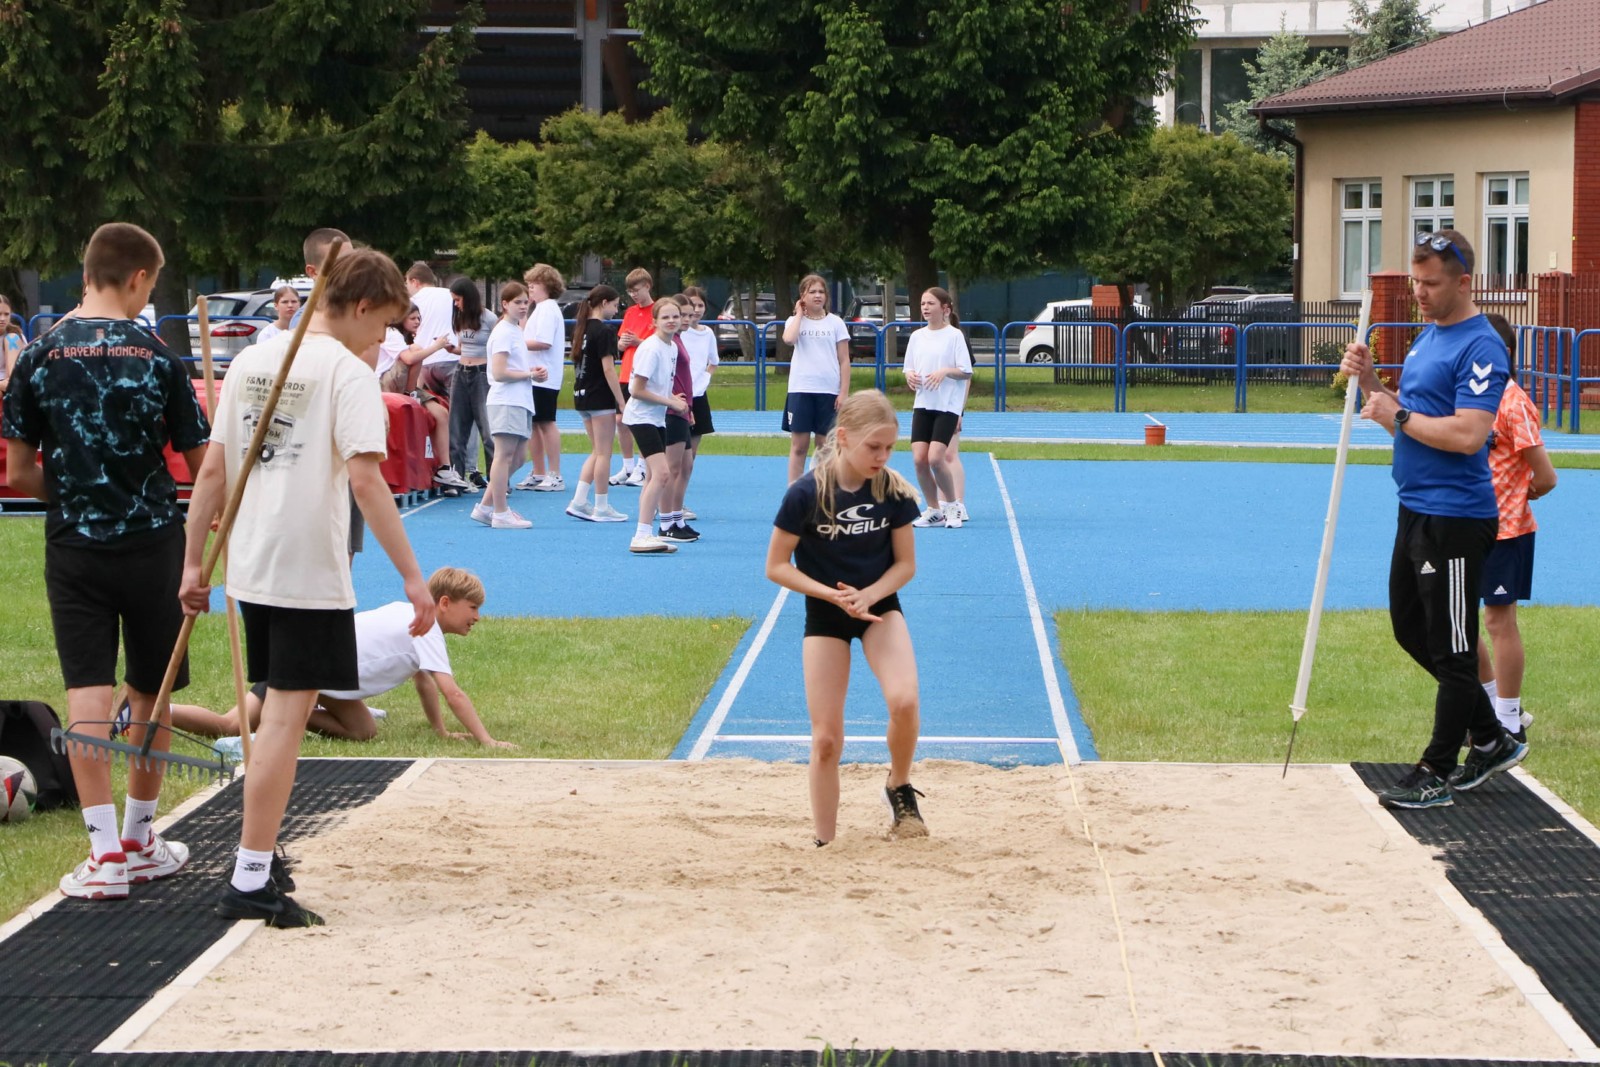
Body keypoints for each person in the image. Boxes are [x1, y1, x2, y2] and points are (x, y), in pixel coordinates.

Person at [180, 247, 435, 927]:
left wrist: (193, 563)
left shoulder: (251, 360)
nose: (382, 338)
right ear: (360, 306)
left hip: (253, 567)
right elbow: (367, 482)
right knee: (283, 727)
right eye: (382, 324)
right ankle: (250, 875)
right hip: (306, 573)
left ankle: (259, 859)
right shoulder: (347, 373)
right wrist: (414, 577)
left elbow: (212, 473)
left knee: (276, 718)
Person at [2, 222, 210, 899]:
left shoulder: (37, 355)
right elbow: (203, 467)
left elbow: (18, 470)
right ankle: (140, 838)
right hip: (154, 543)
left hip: (75, 546)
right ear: (140, 278)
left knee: (87, 695)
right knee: (151, 694)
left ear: (87, 272)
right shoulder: (159, 356)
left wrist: (72, 494)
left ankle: (104, 855)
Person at [1339, 228, 1527, 810]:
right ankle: (1491, 739)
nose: (1419, 293)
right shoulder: (1429, 337)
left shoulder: (1481, 346)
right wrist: (1371, 384)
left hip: (1455, 517)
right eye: (1415, 282)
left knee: (1453, 648)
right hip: (1415, 507)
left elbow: (1469, 434)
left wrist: (1396, 416)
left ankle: (1436, 770)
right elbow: (1410, 416)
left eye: (1431, 283)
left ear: (1464, 282)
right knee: (1410, 629)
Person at [765, 389, 925, 845]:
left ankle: (898, 784)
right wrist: (832, 597)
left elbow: (905, 565)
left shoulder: (893, 491)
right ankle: (826, 843)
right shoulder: (805, 494)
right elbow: (776, 566)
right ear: (844, 437)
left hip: (879, 608)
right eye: (874, 446)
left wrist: (868, 595)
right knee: (826, 740)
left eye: (889, 447)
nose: (883, 456)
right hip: (826, 615)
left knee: (905, 701)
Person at [171, 568, 513, 747]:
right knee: (230, 726)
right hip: (305, 662)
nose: (477, 617)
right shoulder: (426, 629)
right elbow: (452, 693)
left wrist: (440, 731)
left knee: (364, 731)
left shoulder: (413, 616)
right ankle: (156, 713)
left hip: (327, 675)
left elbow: (423, 681)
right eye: (473, 608)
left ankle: (291, 712)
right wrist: (487, 741)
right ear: (445, 603)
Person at [1476, 313, 1557, 743]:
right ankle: (1498, 706)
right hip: (1467, 527)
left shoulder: (1513, 402)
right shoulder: (1470, 399)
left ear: (1502, 353)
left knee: (1497, 620)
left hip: (1506, 532)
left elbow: (1546, 476)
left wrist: (1519, 493)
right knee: (1456, 624)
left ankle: (1508, 721)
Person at [621, 298, 691, 554]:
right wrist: (670, 402)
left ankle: (645, 533)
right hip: (641, 418)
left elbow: (660, 385)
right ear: (654, 322)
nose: (672, 321)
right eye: (665, 317)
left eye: (675, 316)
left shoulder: (671, 347)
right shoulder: (651, 349)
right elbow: (636, 390)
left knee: (653, 476)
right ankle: (641, 535)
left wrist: (674, 400)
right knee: (662, 474)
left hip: (656, 417)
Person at [903, 287, 972, 530]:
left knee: (935, 458)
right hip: (923, 404)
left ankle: (952, 505)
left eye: (930, 303)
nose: (925, 307)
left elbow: (966, 372)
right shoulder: (916, 337)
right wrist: (910, 376)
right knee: (919, 460)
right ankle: (934, 510)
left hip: (947, 407)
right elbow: (908, 367)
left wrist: (945, 372)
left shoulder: (954, 336)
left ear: (945, 309)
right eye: (923, 303)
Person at [566, 284, 629, 523]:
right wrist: (621, 401)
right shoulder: (604, 331)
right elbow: (608, 369)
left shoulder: (580, 329)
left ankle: (579, 501)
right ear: (604, 303)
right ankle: (601, 506)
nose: (616, 310)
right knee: (604, 454)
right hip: (599, 396)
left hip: (581, 394)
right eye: (615, 305)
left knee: (596, 451)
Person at [404, 262, 469, 491]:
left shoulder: (415, 300)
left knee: (437, 415)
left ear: (414, 281)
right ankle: (463, 469)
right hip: (449, 358)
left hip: (425, 362)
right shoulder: (450, 296)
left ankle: (441, 467)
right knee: (460, 417)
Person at [781, 273, 851, 483]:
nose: (817, 296)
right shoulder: (794, 321)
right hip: (801, 390)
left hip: (828, 391)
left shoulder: (836, 323)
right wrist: (799, 314)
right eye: (812, 292)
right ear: (803, 296)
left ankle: (823, 490)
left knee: (825, 446)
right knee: (799, 446)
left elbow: (844, 360)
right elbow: (789, 339)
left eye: (821, 292)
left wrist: (843, 392)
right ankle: (794, 492)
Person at [477, 282, 535, 530]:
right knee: (503, 456)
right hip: (506, 400)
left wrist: (529, 373)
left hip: (519, 400)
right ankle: (500, 512)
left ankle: (485, 506)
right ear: (505, 304)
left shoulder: (515, 330)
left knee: (519, 457)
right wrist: (529, 374)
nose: (523, 307)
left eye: (525, 302)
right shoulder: (503, 332)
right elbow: (499, 372)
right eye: (517, 302)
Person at [378, 304, 454, 486]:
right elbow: (410, 359)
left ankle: (444, 468)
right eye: (412, 318)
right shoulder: (391, 333)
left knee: (441, 414)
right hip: (384, 384)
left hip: (405, 384)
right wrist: (436, 346)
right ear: (400, 318)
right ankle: (411, 393)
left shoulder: (405, 338)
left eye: (419, 318)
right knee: (415, 350)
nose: (417, 322)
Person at [516, 263, 566, 492]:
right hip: (534, 375)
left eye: (534, 284)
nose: (530, 288)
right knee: (534, 424)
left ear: (546, 285)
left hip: (544, 375)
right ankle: (538, 471)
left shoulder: (547, 309)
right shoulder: (539, 309)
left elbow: (543, 342)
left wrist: (516, 344)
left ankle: (555, 473)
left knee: (546, 422)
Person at [656, 294, 699, 543]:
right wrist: (672, 399)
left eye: (686, 315)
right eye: (679, 315)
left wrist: (689, 407)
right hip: (671, 411)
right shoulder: (663, 344)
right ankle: (666, 523)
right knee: (671, 468)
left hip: (683, 409)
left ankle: (677, 518)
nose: (684, 319)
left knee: (686, 465)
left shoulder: (677, 342)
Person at [675, 285, 719, 529]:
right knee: (675, 455)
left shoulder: (708, 333)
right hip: (679, 398)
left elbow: (713, 361)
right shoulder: (678, 333)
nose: (696, 311)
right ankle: (668, 502)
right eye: (691, 307)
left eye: (700, 305)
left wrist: (704, 379)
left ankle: (678, 501)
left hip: (698, 397)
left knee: (690, 456)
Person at [448, 277, 497, 489]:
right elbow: (463, 347)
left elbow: (497, 345)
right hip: (461, 372)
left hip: (481, 374)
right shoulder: (459, 317)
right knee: (457, 429)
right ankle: (456, 478)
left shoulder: (489, 318)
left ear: (468, 297)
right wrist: (451, 349)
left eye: (458, 299)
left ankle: (497, 481)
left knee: (488, 430)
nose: (456, 304)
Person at [611, 269, 655, 487]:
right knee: (621, 420)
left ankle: (643, 466)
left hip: (644, 373)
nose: (633, 295)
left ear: (647, 286)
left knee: (643, 420)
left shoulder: (658, 310)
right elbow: (621, 342)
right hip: (626, 371)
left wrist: (639, 342)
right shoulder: (630, 312)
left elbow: (660, 342)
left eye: (636, 290)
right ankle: (627, 466)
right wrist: (621, 344)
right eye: (630, 292)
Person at [2, 292, 29, 394]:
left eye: (6, 314)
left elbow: (14, 381)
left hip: (10, 386)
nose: (2, 319)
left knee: (11, 338)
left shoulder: (14, 336)